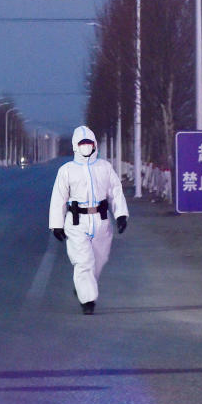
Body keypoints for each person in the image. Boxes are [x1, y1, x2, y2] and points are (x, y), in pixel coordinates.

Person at [48, 125, 128, 315]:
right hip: (77, 222)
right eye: (82, 143)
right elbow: (59, 198)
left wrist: (121, 214)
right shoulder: (67, 170)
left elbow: (115, 192)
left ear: (94, 145)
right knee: (83, 261)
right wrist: (56, 225)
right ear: (76, 146)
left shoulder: (104, 167)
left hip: (101, 220)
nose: (86, 146)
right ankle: (88, 301)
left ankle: (83, 286)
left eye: (89, 143)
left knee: (99, 260)